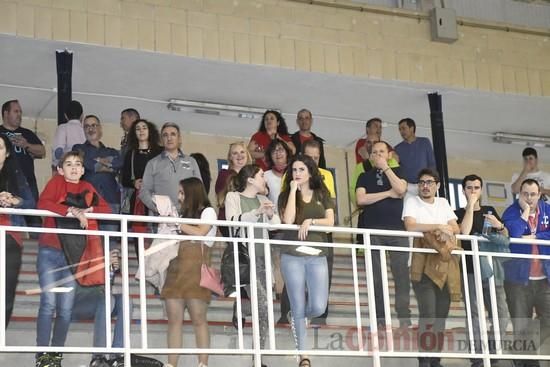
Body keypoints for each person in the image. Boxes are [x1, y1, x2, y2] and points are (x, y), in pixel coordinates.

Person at [35, 151, 111, 367]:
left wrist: (87, 210)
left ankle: (55, 356)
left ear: (84, 169)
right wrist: (70, 210)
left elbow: (106, 208)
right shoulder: (56, 182)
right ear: (60, 169)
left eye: (78, 164)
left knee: (66, 308)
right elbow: (43, 204)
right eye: (68, 164)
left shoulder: (87, 186)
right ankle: (42, 355)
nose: (74, 167)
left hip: (74, 255)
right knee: (48, 304)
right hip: (50, 250)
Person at [278, 155, 335, 367]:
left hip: (317, 255)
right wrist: (293, 190)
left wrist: (311, 221)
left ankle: (298, 315)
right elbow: (288, 220)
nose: (297, 173)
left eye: (301, 169)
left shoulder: (322, 193)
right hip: (292, 256)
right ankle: (303, 356)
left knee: (318, 307)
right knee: (299, 304)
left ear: (310, 171)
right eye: (294, 170)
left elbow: (330, 223)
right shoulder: (286, 195)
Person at [402, 168, 460, 367]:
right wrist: (439, 227)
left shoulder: (443, 203)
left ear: (438, 185)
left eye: (429, 182)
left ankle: (435, 359)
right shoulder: (411, 201)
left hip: (443, 264)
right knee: (428, 313)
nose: (425, 186)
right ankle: (424, 359)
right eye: (421, 182)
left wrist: (446, 229)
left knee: (441, 314)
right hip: (421, 264)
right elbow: (411, 226)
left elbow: (456, 228)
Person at [225, 164, 280, 364]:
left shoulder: (264, 199)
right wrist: (256, 212)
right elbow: (232, 223)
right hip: (244, 259)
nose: (264, 179)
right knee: (263, 306)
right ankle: (258, 360)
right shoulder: (233, 197)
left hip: (262, 259)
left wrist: (271, 214)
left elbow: (276, 225)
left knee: (264, 310)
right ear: (250, 179)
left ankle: (259, 354)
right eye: (260, 176)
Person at [455, 174, 509, 367]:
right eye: (469, 188)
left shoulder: (489, 210)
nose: (473, 191)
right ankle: (478, 357)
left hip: (492, 269)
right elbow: (464, 233)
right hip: (469, 270)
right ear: (463, 190)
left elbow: (505, 235)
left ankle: (493, 354)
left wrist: (499, 225)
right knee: (475, 315)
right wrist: (470, 206)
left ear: (481, 189)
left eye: (477, 188)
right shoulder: (458, 212)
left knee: (502, 314)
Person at [162, 177, 217, 367]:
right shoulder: (181, 214)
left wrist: (176, 223)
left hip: (196, 269)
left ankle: (203, 363)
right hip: (176, 268)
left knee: (199, 318)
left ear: (192, 193)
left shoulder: (208, 211)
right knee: (174, 320)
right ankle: (171, 363)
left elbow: (201, 232)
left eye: (182, 192)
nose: (179, 197)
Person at [355, 141, 410, 328]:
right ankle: (380, 318)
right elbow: (361, 199)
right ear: (370, 156)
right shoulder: (363, 176)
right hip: (373, 231)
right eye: (374, 152)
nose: (378, 155)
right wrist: (388, 193)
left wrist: (386, 168)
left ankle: (404, 318)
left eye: (381, 152)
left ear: (389, 154)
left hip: (398, 231)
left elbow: (401, 190)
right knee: (376, 277)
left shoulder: (399, 172)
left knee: (401, 275)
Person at [502, 178, 550, 367]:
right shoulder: (511, 211)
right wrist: (527, 211)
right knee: (521, 327)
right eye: (525, 194)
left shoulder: (547, 211)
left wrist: (536, 236)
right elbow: (514, 232)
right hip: (518, 281)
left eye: (533, 194)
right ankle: (528, 360)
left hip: (544, 279)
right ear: (519, 194)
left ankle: (519, 351)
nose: (529, 198)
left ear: (540, 194)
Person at [0, 134, 34, 328]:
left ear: (8, 152)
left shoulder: (15, 174)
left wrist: (14, 200)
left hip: (10, 236)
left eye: (0, 147)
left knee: (7, 290)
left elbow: (30, 202)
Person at [0, 99, 45, 228]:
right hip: (4, 179)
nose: (19, 114)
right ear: (6, 113)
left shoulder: (27, 133)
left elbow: (42, 151)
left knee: (32, 214)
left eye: (20, 112)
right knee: (7, 214)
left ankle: (35, 244)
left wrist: (26, 145)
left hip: (26, 180)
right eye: (16, 111)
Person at [140, 122, 202, 212]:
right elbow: (144, 192)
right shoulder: (152, 163)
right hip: (161, 219)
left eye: (173, 134)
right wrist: (159, 209)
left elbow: (199, 189)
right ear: (161, 140)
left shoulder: (191, 162)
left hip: (187, 217)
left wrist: (192, 209)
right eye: (165, 135)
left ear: (179, 139)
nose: (169, 138)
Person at [73, 115, 122, 215]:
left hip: (110, 200)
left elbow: (119, 163)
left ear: (100, 128)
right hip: (87, 201)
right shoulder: (78, 148)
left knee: (110, 231)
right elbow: (86, 163)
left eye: (94, 125)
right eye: (86, 126)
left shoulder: (111, 151)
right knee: (89, 231)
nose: (90, 129)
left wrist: (97, 161)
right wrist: (109, 167)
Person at [120, 119, 162, 219]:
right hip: (138, 198)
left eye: (144, 128)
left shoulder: (160, 152)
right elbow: (124, 178)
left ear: (150, 131)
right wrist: (134, 183)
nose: (141, 131)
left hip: (157, 196)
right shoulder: (131, 154)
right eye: (137, 129)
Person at [214, 142, 252, 237]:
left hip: (249, 219)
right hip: (229, 220)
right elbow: (221, 194)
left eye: (242, 152)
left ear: (247, 154)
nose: (239, 155)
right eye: (235, 153)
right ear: (230, 157)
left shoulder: (254, 173)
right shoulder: (224, 174)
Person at [394, 118, 436, 186]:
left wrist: (430, 181)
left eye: (403, 128)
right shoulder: (397, 148)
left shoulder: (424, 142)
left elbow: (431, 163)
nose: (401, 131)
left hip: (425, 183)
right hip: (407, 186)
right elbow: (397, 169)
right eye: (400, 129)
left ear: (412, 128)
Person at [51, 100, 86, 169]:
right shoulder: (85, 129)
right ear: (82, 115)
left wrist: (55, 165)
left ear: (65, 116)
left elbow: (58, 152)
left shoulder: (62, 128)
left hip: (68, 169)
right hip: (84, 169)